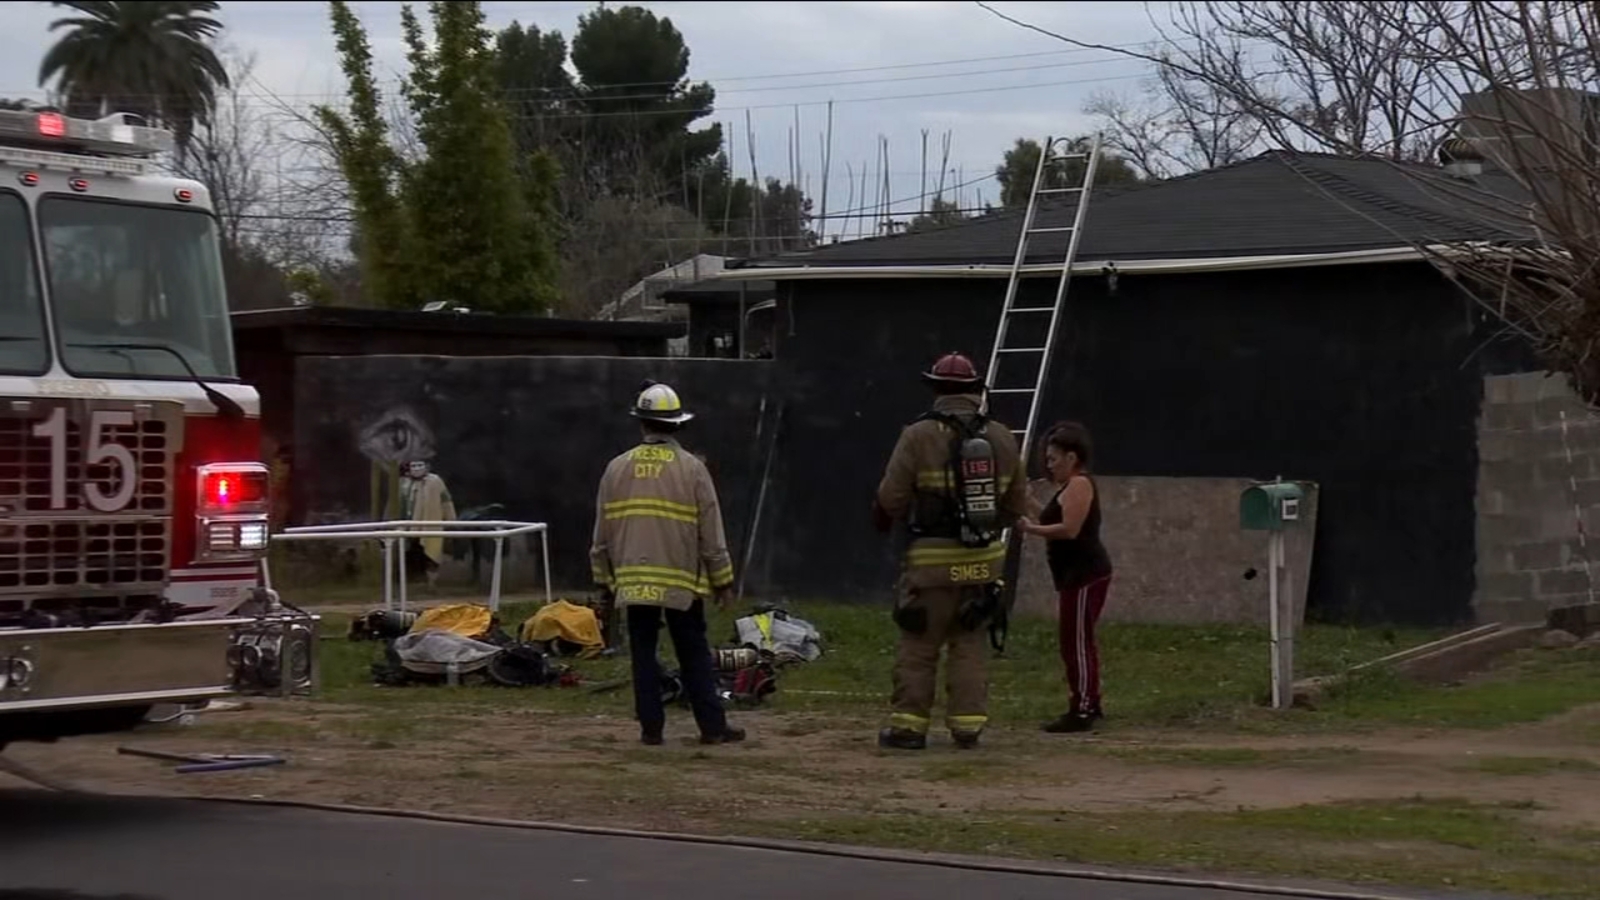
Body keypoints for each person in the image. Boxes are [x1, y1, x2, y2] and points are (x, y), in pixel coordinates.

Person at [871, 352, 1030, 750]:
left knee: (919, 645)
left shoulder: (917, 435)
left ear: (936, 389)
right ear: (976, 389)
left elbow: (891, 500)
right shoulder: (1002, 437)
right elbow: (1015, 507)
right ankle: (967, 727)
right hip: (982, 564)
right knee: (970, 644)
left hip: (930, 565)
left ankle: (909, 728)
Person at [589, 380, 746, 746]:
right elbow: (712, 533)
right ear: (677, 424)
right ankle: (712, 727)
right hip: (680, 581)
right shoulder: (692, 469)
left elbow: (601, 533)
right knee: (692, 651)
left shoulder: (615, 469)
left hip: (631, 579)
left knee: (642, 653)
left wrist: (603, 582)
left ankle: (651, 730)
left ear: (641, 423)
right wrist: (723, 581)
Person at [1018, 422, 1114, 733]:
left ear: (1072, 458)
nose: (1049, 465)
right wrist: (1026, 501)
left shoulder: (1079, 485)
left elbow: (1069, 529)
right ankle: (1088, 699)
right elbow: (1049, 515)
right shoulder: (1066, 489)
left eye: (1054, 459)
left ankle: (1084, 707)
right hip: (1072, 575)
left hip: (1085, 574)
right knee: (1073, 640)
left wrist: (1031, 531)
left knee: (1077, 642)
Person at [400, 459, 456, 589]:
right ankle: (412, 583)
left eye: (420, 465)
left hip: (431, 523)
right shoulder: (404, 483)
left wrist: (451, 520)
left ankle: (432, 583)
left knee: (432, 552)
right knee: (411, 552)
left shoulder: (435, 481)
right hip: (410, 525)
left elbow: (446, 500)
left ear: (426, 467)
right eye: (413, 466)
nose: (417, 468)